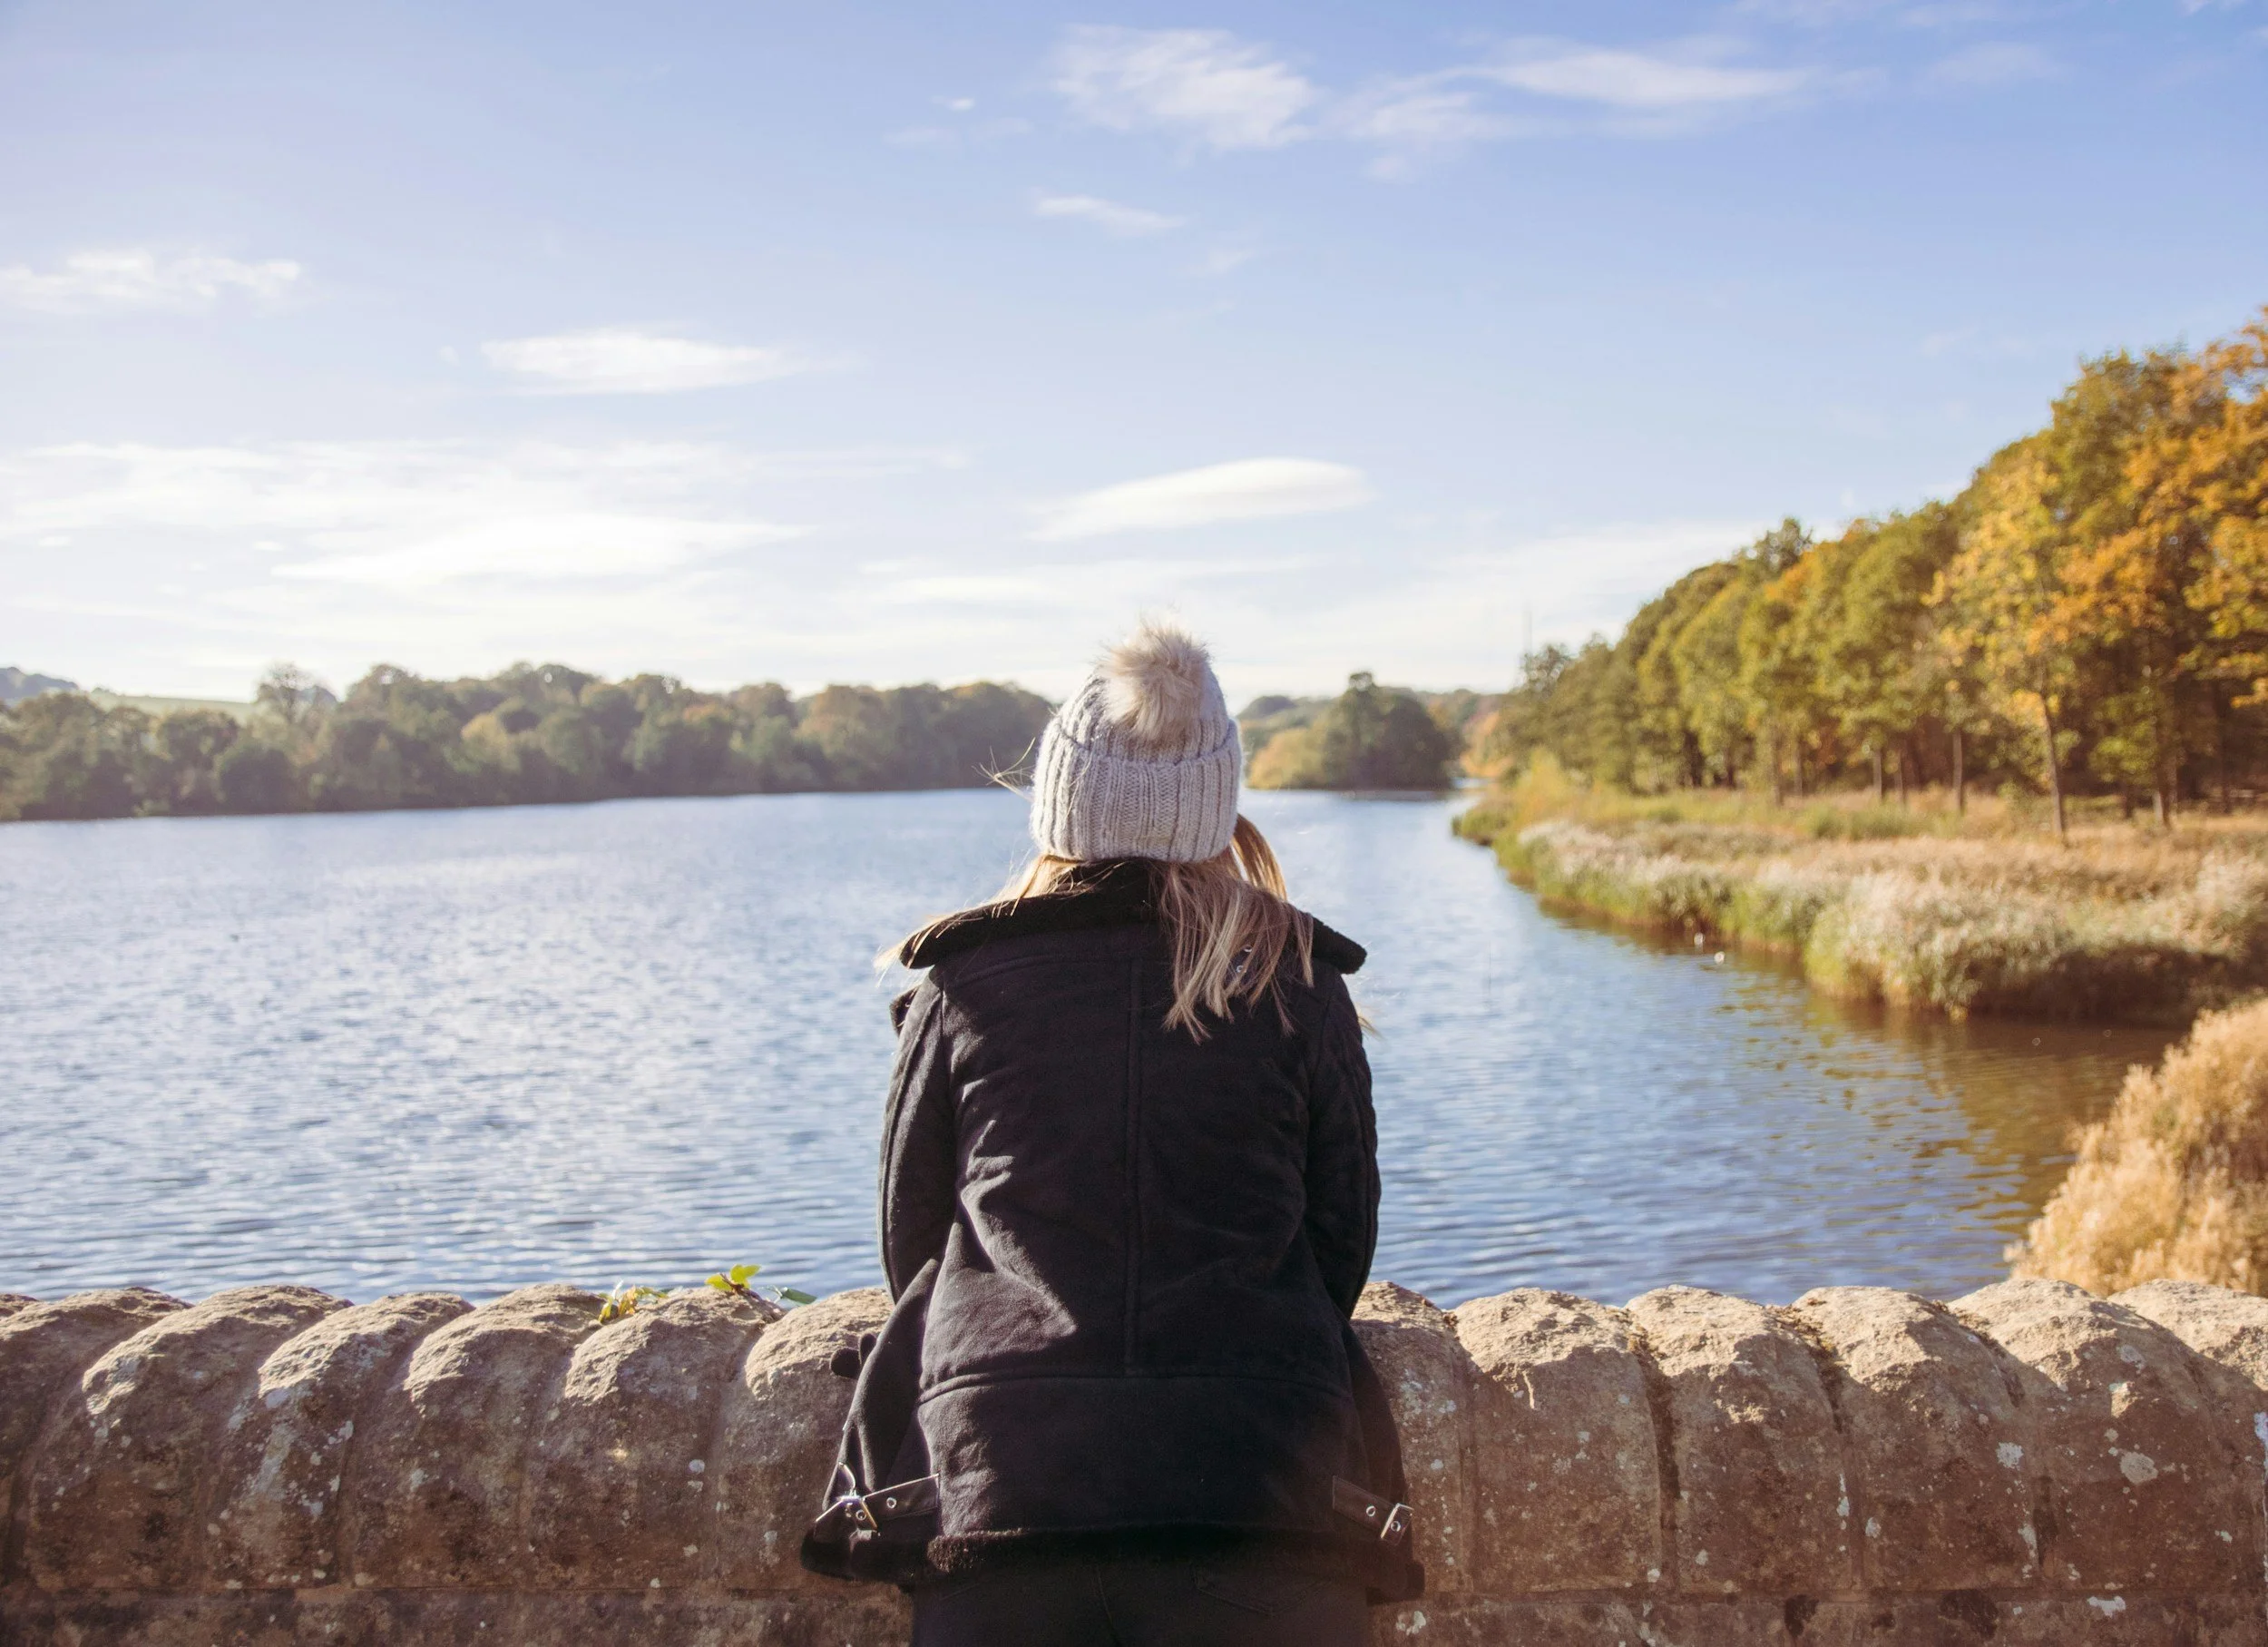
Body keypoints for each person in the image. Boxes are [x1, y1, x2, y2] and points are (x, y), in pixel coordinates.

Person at [802, 621, 1421, 1646]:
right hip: (1263, 1489)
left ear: (1059, 802)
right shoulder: (1296, 981)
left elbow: (912, 1246)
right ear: (1216, 804)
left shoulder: (963, 982)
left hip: (1001, 1487)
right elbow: (1337, 1246)